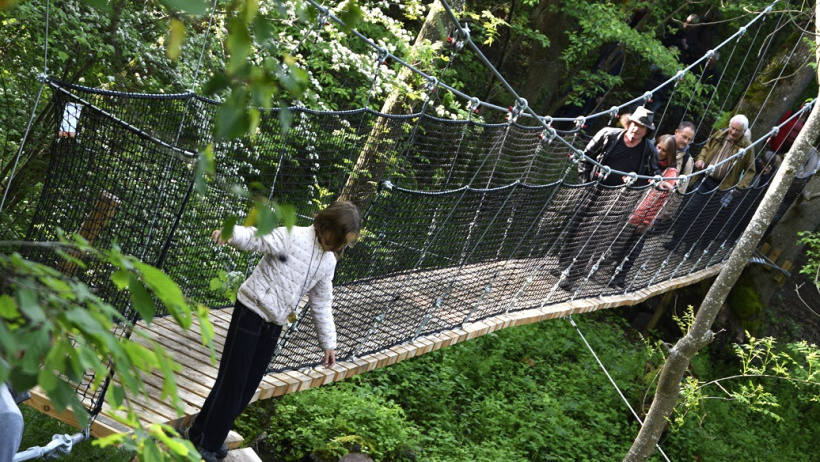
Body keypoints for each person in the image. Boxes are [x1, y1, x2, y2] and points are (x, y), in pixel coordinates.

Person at [186, 201, 361, 462]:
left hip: (275, 323)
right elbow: (257, 237)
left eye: (342, 244)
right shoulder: (293, 236)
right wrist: (231, 233)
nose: (337, 246)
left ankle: (202, 431)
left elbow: (321, 303)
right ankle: (207, 443)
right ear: (326, 225)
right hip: (251, 310)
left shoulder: (327, 262)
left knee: (248, 387)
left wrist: (329, 344)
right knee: (233, 381)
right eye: (337, 239)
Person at [557, 106, 662, 290]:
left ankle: (571, 277)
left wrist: (635, 185)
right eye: (635, 124)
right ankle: (562, 266)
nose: (636, 129)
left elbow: (652, 175)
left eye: (642, 127)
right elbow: (585, 158)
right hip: (594, 189)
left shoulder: (649, 149)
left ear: (647, 131)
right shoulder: (608, 135)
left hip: (619, 198)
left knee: (593, 236)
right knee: (575, 226)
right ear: (629, 122)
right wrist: (586, 182)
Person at [667, 115, 756, 251]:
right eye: (732, 128)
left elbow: (750, 170)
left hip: (722, 187)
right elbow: (706, 147)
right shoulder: (719, 135)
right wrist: (701, 159)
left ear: (743, 131)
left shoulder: (747, 147)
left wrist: (740, 186)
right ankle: (675, 241)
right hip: (704, 179)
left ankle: (689, 247)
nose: (732, 132)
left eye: (737, 130)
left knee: (704, 217)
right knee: (689, 209)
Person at [604, 135, 678, 289]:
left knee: (634, 250)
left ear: (670, 154)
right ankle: (598, 267)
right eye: (658, 147)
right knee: (617, 245)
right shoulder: (646, 160)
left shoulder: (670, 172)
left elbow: (667, 191)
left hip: (647, 216)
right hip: (629, 209)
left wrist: (665, 186)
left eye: (665, 151)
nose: (660, 152)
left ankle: (619, 278)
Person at [673, 121, 696, 192]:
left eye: (689, 139)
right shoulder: (661, 146)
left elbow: (682, 189)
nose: (686, 141)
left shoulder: (687, 161)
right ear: (676, 132)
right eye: (684, 137)